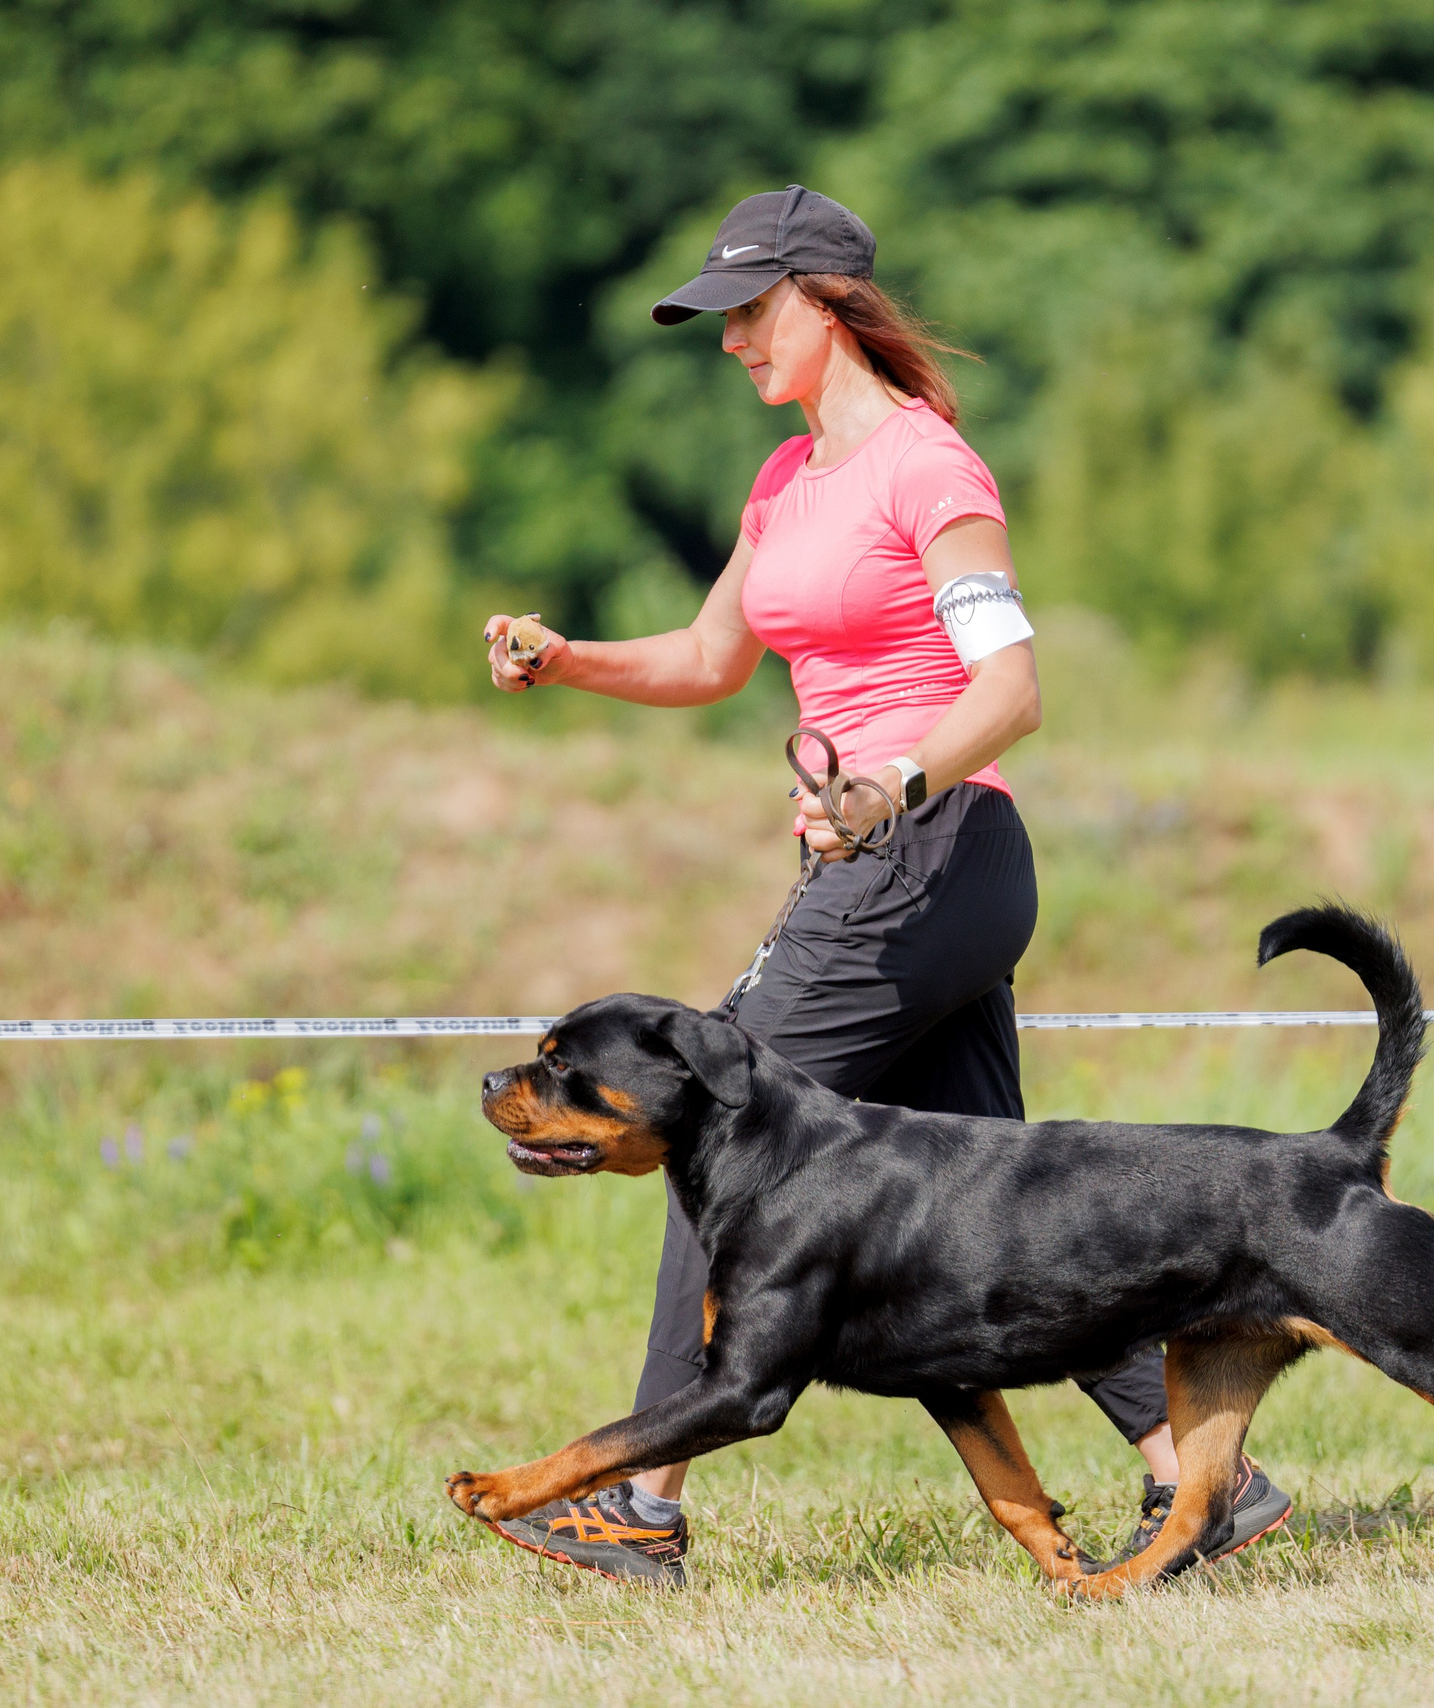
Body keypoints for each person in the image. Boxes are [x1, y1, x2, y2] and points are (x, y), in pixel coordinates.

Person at [478, 185, 1287, 1586]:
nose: (730, 339)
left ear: (828, 300)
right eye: (718, 318)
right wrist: (570, 659)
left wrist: (890, 782)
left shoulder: (931, 469)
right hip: (897, 869)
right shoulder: (787, 481)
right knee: (1000, 1208)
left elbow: (1013, 690)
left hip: (936, 852)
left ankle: (640, 1504)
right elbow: (713, 658)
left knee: (714, 1119)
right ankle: (1202, 1478)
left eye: (748, 309)